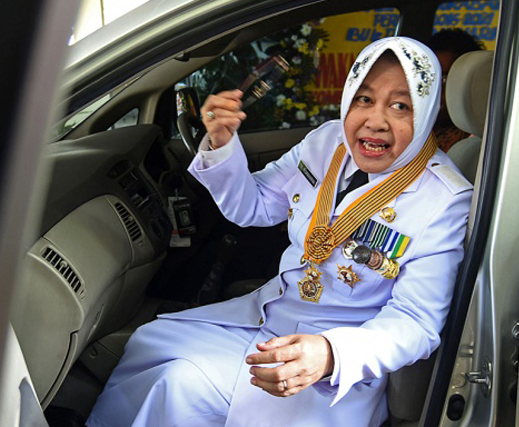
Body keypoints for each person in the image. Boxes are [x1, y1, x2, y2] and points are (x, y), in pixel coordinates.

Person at [86, 37, 472, 427]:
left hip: (331, 364)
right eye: (364, 99)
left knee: (179, 384)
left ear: (427, 111)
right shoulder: (328, 142)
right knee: (150, 342)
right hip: (269, 315)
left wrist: (331, 354)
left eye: (401, 106)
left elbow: (416, 321)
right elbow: (252, 206)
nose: (375, 120)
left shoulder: (445, 199)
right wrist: (222, 143)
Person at [427, 29, 484, 152]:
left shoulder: (472, 143)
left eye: (444, 79)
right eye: (428, 77)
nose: (433, 88)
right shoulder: (416, 128)